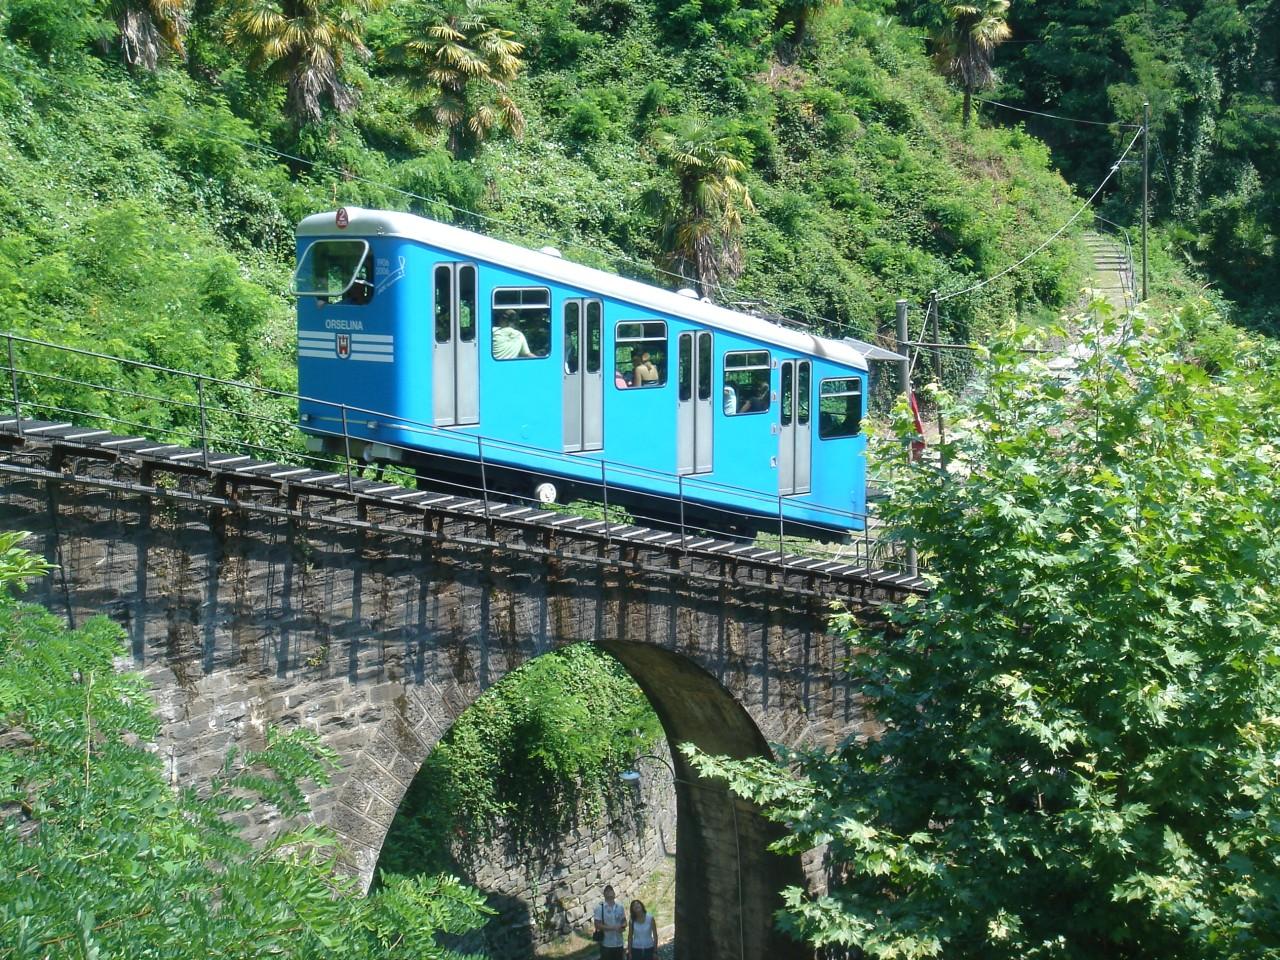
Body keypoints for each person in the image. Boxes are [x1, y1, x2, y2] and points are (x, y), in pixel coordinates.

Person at [593, 885, 627, 960]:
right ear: (604, 895)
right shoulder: (600, 908)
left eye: (611, 890)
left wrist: (623, 926)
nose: (609, 892)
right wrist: (613, 928)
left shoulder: (620, 907)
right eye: (607, 891)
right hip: (606, 944)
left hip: (619, 942)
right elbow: (597, 925)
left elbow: (624, 920)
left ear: (614, 894)